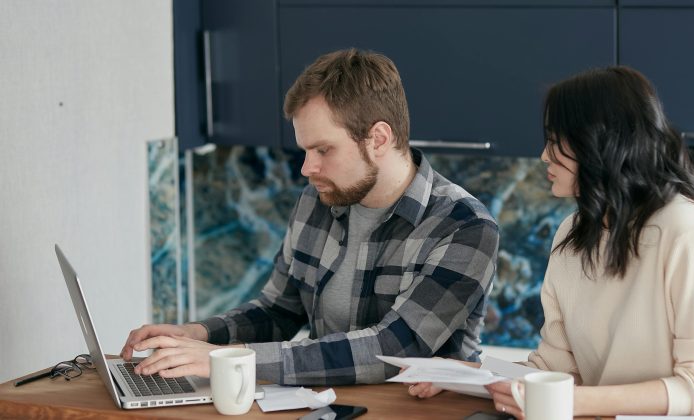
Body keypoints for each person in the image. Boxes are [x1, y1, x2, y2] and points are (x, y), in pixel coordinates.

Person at [120, 49, 500, 386]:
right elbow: (279, 311)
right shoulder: (318, 199)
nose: (307, 168)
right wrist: (199, 335)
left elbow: (392, 348)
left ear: (379, 139)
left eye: (323, 149)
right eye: (305, 150)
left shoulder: (464, 226)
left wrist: (232, 361)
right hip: (330, 406)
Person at [408, 66, 694, 417]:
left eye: (556, 142)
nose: (544, 155)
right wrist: (470, 376)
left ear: (599, 142)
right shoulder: (572, 234)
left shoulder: (681, 228)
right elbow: (556, 368)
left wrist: (571, 402)